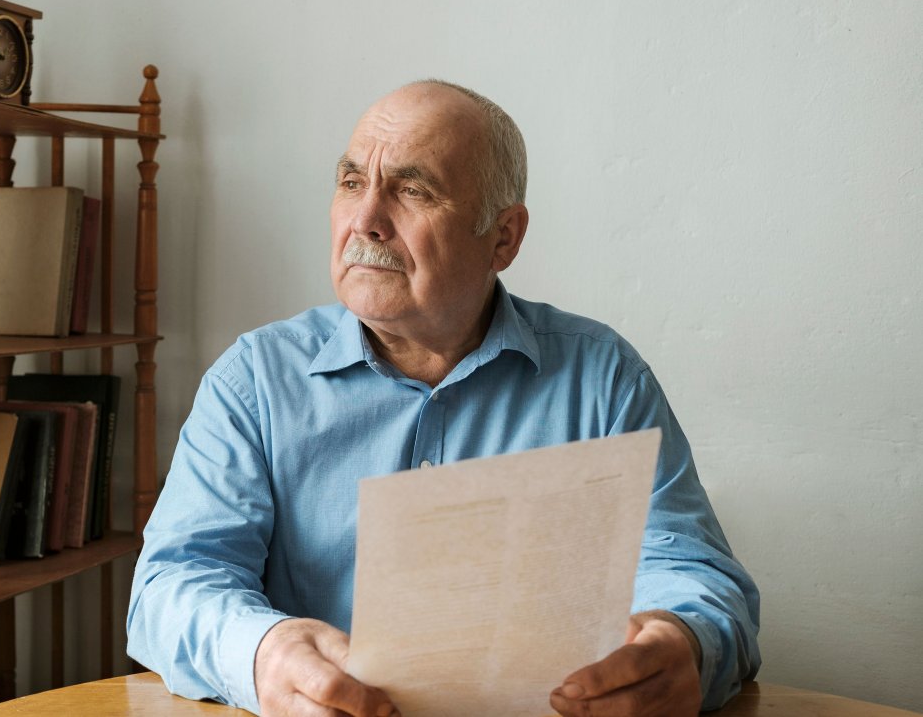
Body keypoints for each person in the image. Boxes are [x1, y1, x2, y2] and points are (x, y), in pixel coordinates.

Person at [126, 80, 761, 717]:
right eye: (351, 183)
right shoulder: (256, 380)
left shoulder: (601, 379)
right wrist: (265, 651)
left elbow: (693, 574)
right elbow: (170, 586)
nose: (365, 220)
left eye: (412, 190)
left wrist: (683, 643)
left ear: (504, 238)